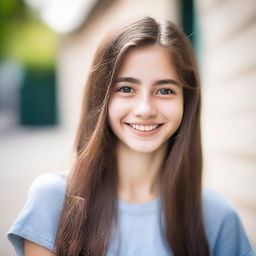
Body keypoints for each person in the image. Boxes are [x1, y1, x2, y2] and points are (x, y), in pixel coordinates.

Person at [7, 17, 255, 256]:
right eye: (126, 89)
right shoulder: (53, 199)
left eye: (165, 90)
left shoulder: (217, 217)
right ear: (101, 96)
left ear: (186, 102)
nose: (145, 109)